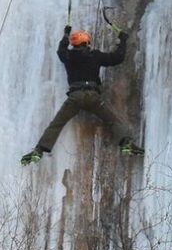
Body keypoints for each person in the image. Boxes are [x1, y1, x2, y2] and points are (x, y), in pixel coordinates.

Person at [20, 25, 143, 165]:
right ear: (87, 42)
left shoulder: (68, 56)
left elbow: (60, 50)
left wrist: (66, 34)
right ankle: (125, 143)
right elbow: (117, 58)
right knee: (112, 119)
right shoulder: (95, 55)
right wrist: (123, 40)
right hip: (93, 96)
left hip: (75, 97)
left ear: (74, 43)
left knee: (57, 123)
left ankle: (39, 150)